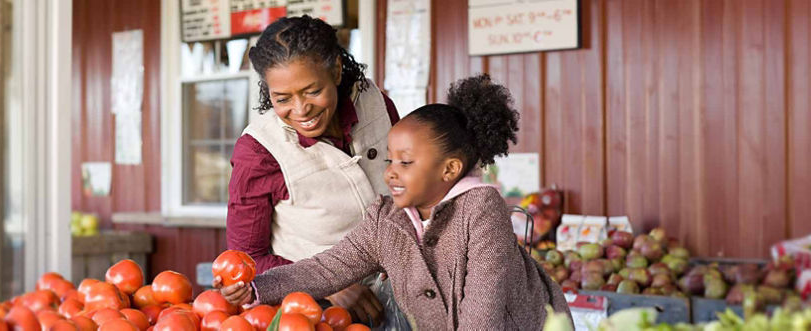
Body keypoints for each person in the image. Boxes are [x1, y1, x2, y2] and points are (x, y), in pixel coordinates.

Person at [219, 74, 572, 330]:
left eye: (406, 163)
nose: (390, 173)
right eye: (389, 161)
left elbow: (484, 308)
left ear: (449, 169)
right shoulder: (387, 217)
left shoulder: (481, 208)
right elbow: (326, 268)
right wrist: (258, 288)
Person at [226, 15, 400, 326]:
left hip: (400, 290)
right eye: (283, 99)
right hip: (313, 314)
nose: (301, 109)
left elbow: (410, 182)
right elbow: (247, 260)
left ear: (335, 70)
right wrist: (330, 285)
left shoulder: (375, 103)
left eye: (311, 91)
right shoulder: (258, 151)